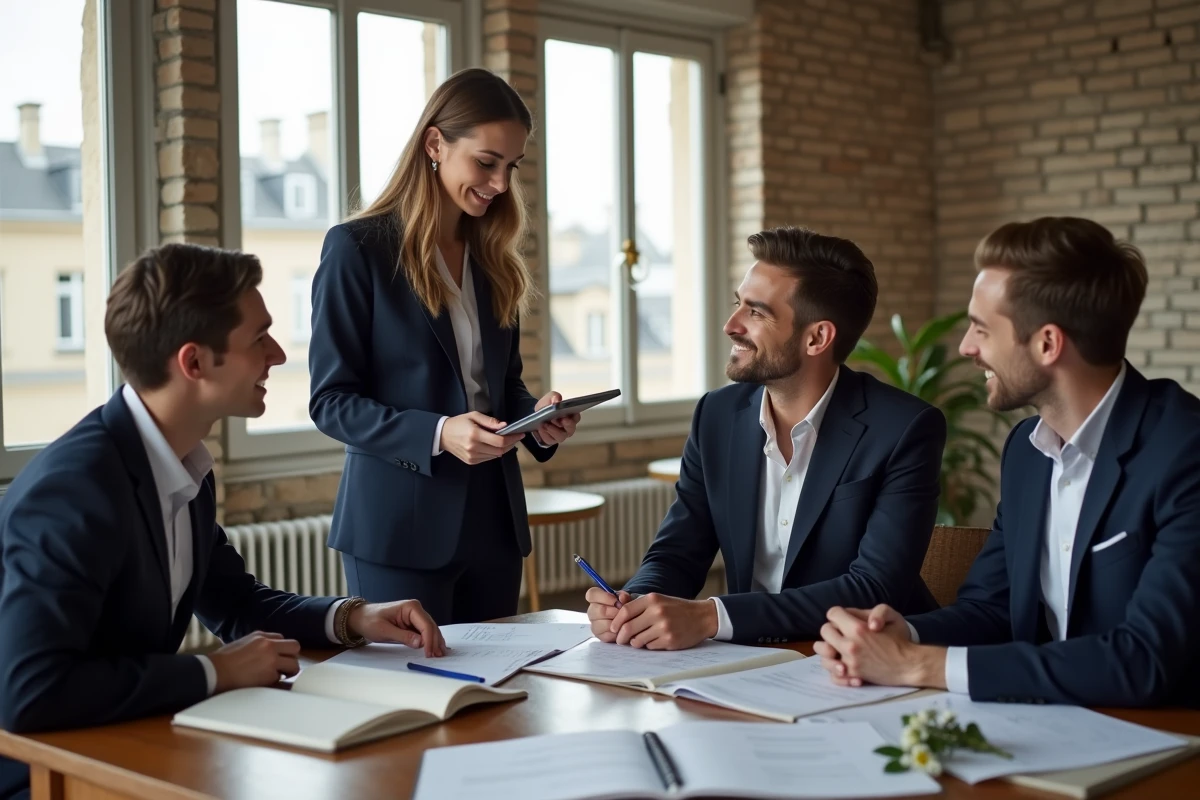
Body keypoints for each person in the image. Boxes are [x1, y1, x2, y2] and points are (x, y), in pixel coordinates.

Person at [0, 244, 447, 798]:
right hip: (41, 775)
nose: (279, 354)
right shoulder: (75, 491)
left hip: (123, 742)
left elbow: (236, 603)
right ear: (194, 363)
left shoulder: (181, 461)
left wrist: (353, 618)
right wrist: (214, 672)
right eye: (258, 337)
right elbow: (27, 693)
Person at [815, 217, 1200, 707]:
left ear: (1047, 343)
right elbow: (992, 609)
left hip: (1168, 741)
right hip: (1049, 727)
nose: (966, 348)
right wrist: (904, 634)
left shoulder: (1185, 452)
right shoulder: (1026, 449)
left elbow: (1146, 659)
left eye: (981, 328)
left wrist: (916, 665)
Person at [586, 226, 947, 650]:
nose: (731, 325)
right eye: (739, 304)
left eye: (756, 313)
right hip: (749, 662)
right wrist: (633, 602)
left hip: (862, 661)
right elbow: (677, 553)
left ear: (817, 338)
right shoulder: (716, 416)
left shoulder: (904, 427)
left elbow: (872, 588)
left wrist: (712, 616)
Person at [308, 67, 578, 625]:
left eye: (511, 167)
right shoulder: (357, 250)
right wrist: (438, 432)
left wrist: (535, 418)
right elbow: (331, 401)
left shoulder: (494, 260)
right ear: (435, 143)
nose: (501, 184)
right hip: (399, 530)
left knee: (499, 704)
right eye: (486, 162)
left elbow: (499, 388)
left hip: (495, 527)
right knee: (414, 701)